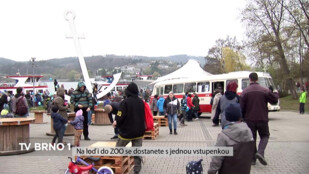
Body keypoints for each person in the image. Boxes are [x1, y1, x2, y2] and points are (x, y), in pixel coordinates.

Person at [240, 72, 279, 165]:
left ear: (250, 79)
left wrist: (242, 118)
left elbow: (241, 107)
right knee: (265, 136)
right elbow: (274, 100)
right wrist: (276, 93)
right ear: (257, 79)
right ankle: (260, 152)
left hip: (249, 119)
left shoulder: (245, 92)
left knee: (252, 138)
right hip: (262, 118)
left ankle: (253, 159)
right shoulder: (265, 90)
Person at [208, 103, 254, 174]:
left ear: (227, 117)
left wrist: (211, 172)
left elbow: (217, 159)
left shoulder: (223, 136)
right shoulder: (249, 132)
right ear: (240, 116)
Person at [112, 82, 145, 174]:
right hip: (139, 132)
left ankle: (117, 168)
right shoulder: (141, 102)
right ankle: (137, 171)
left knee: (118, 150)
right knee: (137, 152)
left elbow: (120, 115)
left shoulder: (125, 102)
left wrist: (116, 122)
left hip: (127, 132)